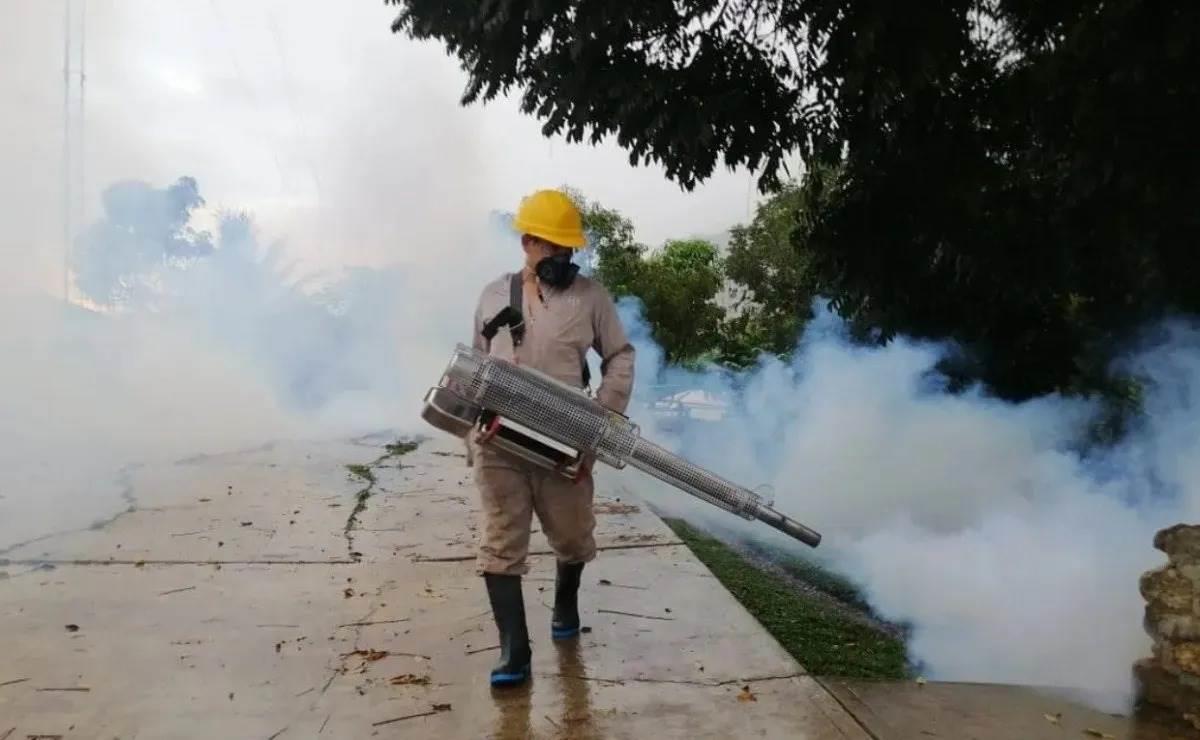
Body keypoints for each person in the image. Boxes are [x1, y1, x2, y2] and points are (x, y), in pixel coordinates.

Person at [470, 188, 635, 687]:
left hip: (565, 440)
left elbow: (620, 355)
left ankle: (565, 603)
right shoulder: (495, 295)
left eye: (568, 250)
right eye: (551, 248)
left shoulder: (592, 297)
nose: (561, 258)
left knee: (572, 537)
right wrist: (469, 431)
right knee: (501, 541)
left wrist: (600, 422)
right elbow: (476, 364)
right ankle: (514, 653)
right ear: (527, 243)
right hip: (500, 440)